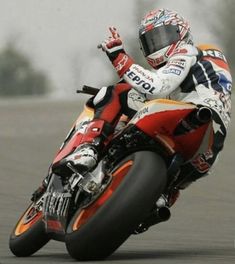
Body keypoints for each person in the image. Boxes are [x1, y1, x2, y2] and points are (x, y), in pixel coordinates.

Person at [33, 9, 232, 207]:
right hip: (209, 149)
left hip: (188, 113)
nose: (158, 44)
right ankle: (158, 202)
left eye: (164, 35)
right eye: (151, 41)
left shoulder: (187, 51)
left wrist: (119, 57)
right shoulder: (206, 62)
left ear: (181, 33)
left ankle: (89, 148)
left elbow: (156, 87)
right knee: (167, 193)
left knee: (116, 92)